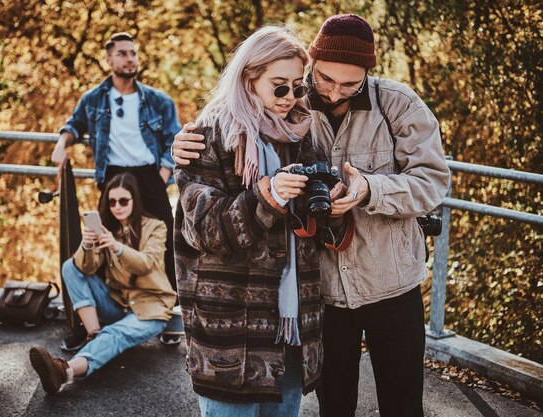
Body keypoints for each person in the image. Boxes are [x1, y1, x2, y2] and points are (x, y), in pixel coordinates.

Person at [172, 14, 450, 417]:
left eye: (349, 84)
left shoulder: (397, 105)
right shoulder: (292, 108)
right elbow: (229, 126)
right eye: (322, 79)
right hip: (322, 293)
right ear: (312, 65)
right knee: (334, 406)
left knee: (402, 403)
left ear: (368, 73)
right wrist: (180, 146)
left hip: (389, 281)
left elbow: (433, 182)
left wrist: (367, 190)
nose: (333, 93)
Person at [174, 25, 344, 417]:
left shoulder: (303, 136)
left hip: (292, 327)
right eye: (279, 87)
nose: (290, 99)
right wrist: (268, 196)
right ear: (249, 79)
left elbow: (312, 234)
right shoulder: (209, 135)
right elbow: (203, 229)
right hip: (230, 332)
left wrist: (333, 208)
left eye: (298, 87)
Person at [51, 31, 180, 296]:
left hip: (149, 176)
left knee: (166, 238)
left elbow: (175, 140)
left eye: (133, 53)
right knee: (105, 236)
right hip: (113, 176)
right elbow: (74, 126)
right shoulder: (94, 99)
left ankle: (170, 305)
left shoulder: (159, 101)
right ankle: (109, 299)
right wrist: (60, 145)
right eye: (122, 54)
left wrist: (164, 172)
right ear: (109, 59)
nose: (130, 59)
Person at [29, 172, 176, 394]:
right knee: (70, 266)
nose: (117, 207)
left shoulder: (155, 226)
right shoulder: (109, 229)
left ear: (134, 200)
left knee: (114, 334)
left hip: (151, 308)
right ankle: (94, 335)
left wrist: (116, 247)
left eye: (123, 201)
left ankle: (64, 371)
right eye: (112, 202)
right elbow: (85, 268)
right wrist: (87, 246)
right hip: (117, 304)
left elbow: (147, 264)